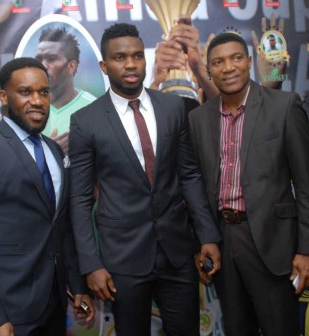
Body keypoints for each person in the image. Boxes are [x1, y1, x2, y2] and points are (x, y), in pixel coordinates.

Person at [68, 23, 221, 336]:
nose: (130, 64)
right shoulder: (86, 121)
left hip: (177, 253)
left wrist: (207, 235)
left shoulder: (172, 107)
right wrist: (91, 264)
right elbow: (80, 198)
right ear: (104, 65)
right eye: (120, 57)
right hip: (122, 260)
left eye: (137, 56)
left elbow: (188, 175)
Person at [188, 32, 309, 336]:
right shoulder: (198, 119)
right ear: (209, 70)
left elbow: (306, 185)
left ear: (249, 62)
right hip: (223, 241)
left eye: (236, 58)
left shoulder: (283, 106)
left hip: (271, 240)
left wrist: (308, 250)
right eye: (218, 62)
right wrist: (203, 240)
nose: (229, 68)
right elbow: (196, 187)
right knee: (236, 328)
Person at [0, 57, 94, 336]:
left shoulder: (54, 150)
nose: (37, 101)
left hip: (54, 307)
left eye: (43, 92)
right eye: (25, 92)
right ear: (4, 97)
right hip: (8, 312)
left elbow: (61, 230)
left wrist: (78, 288)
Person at [35, 27, 96, 152]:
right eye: (39, 59)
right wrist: (47, 153)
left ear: (71, 66)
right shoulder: (29, 109)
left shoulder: (94, 109)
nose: (42, 66)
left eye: (51, 59)